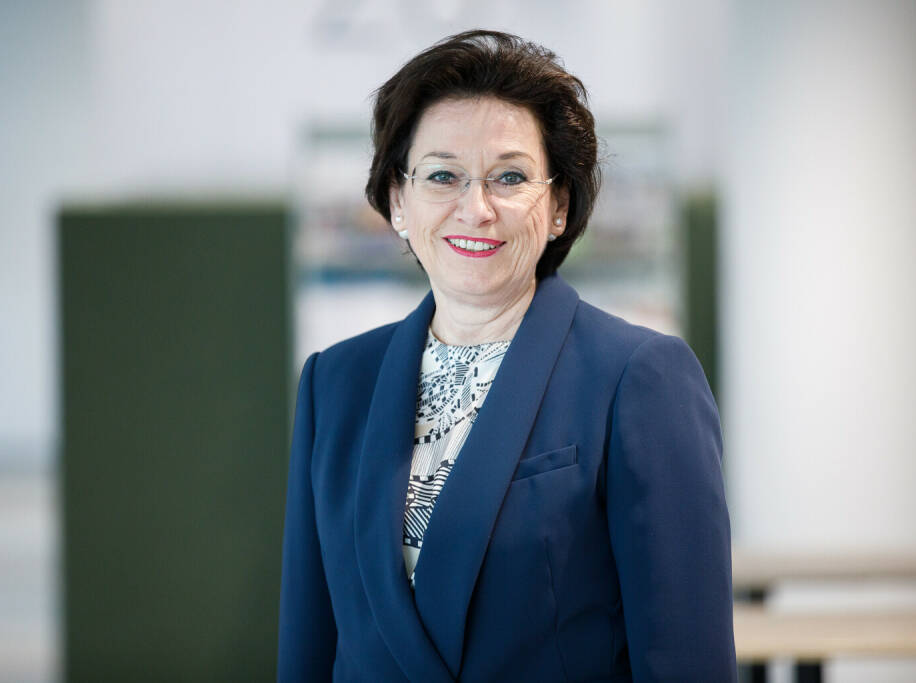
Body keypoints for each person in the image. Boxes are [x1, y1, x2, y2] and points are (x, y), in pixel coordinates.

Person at [278, 30, 736, 682]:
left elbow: (685, 661)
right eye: (443, 175)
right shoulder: (335, 383)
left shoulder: (639, 377)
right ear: (399, 202)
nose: (476, 208)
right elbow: (309, 645)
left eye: (511, 177)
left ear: (558, 206)